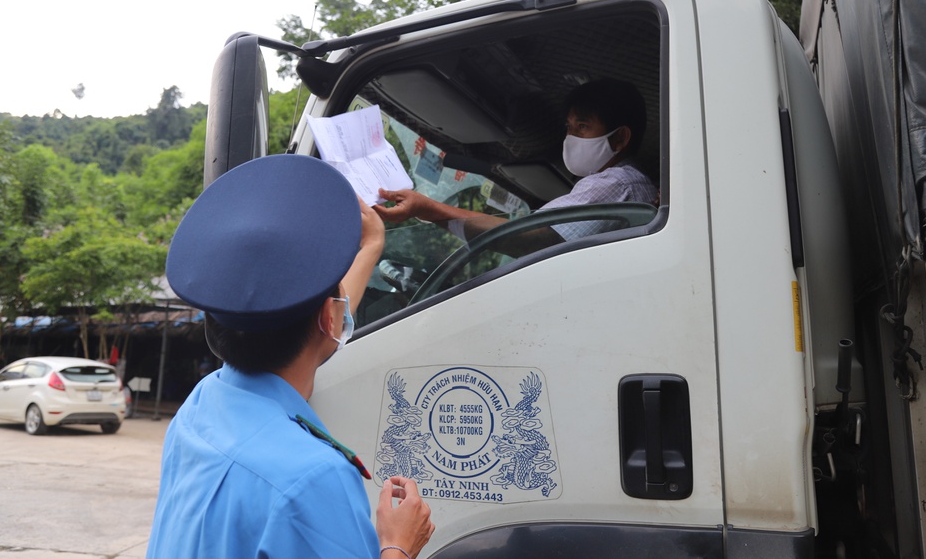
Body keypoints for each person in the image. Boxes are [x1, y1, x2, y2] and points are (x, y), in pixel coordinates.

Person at [147, 154, 434, 559]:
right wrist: (399, 545)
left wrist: (371, 245)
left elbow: (329, 317)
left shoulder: (201, 405)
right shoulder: (314, 479)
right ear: (328, 319)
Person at [375, 78, 657, 246]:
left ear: (619, 139)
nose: (570, 137)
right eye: (568, 127)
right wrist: (428, 212)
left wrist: (428, 207)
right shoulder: (627, 183)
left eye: (582, 127)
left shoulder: (618, 183)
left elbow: (528, 237)